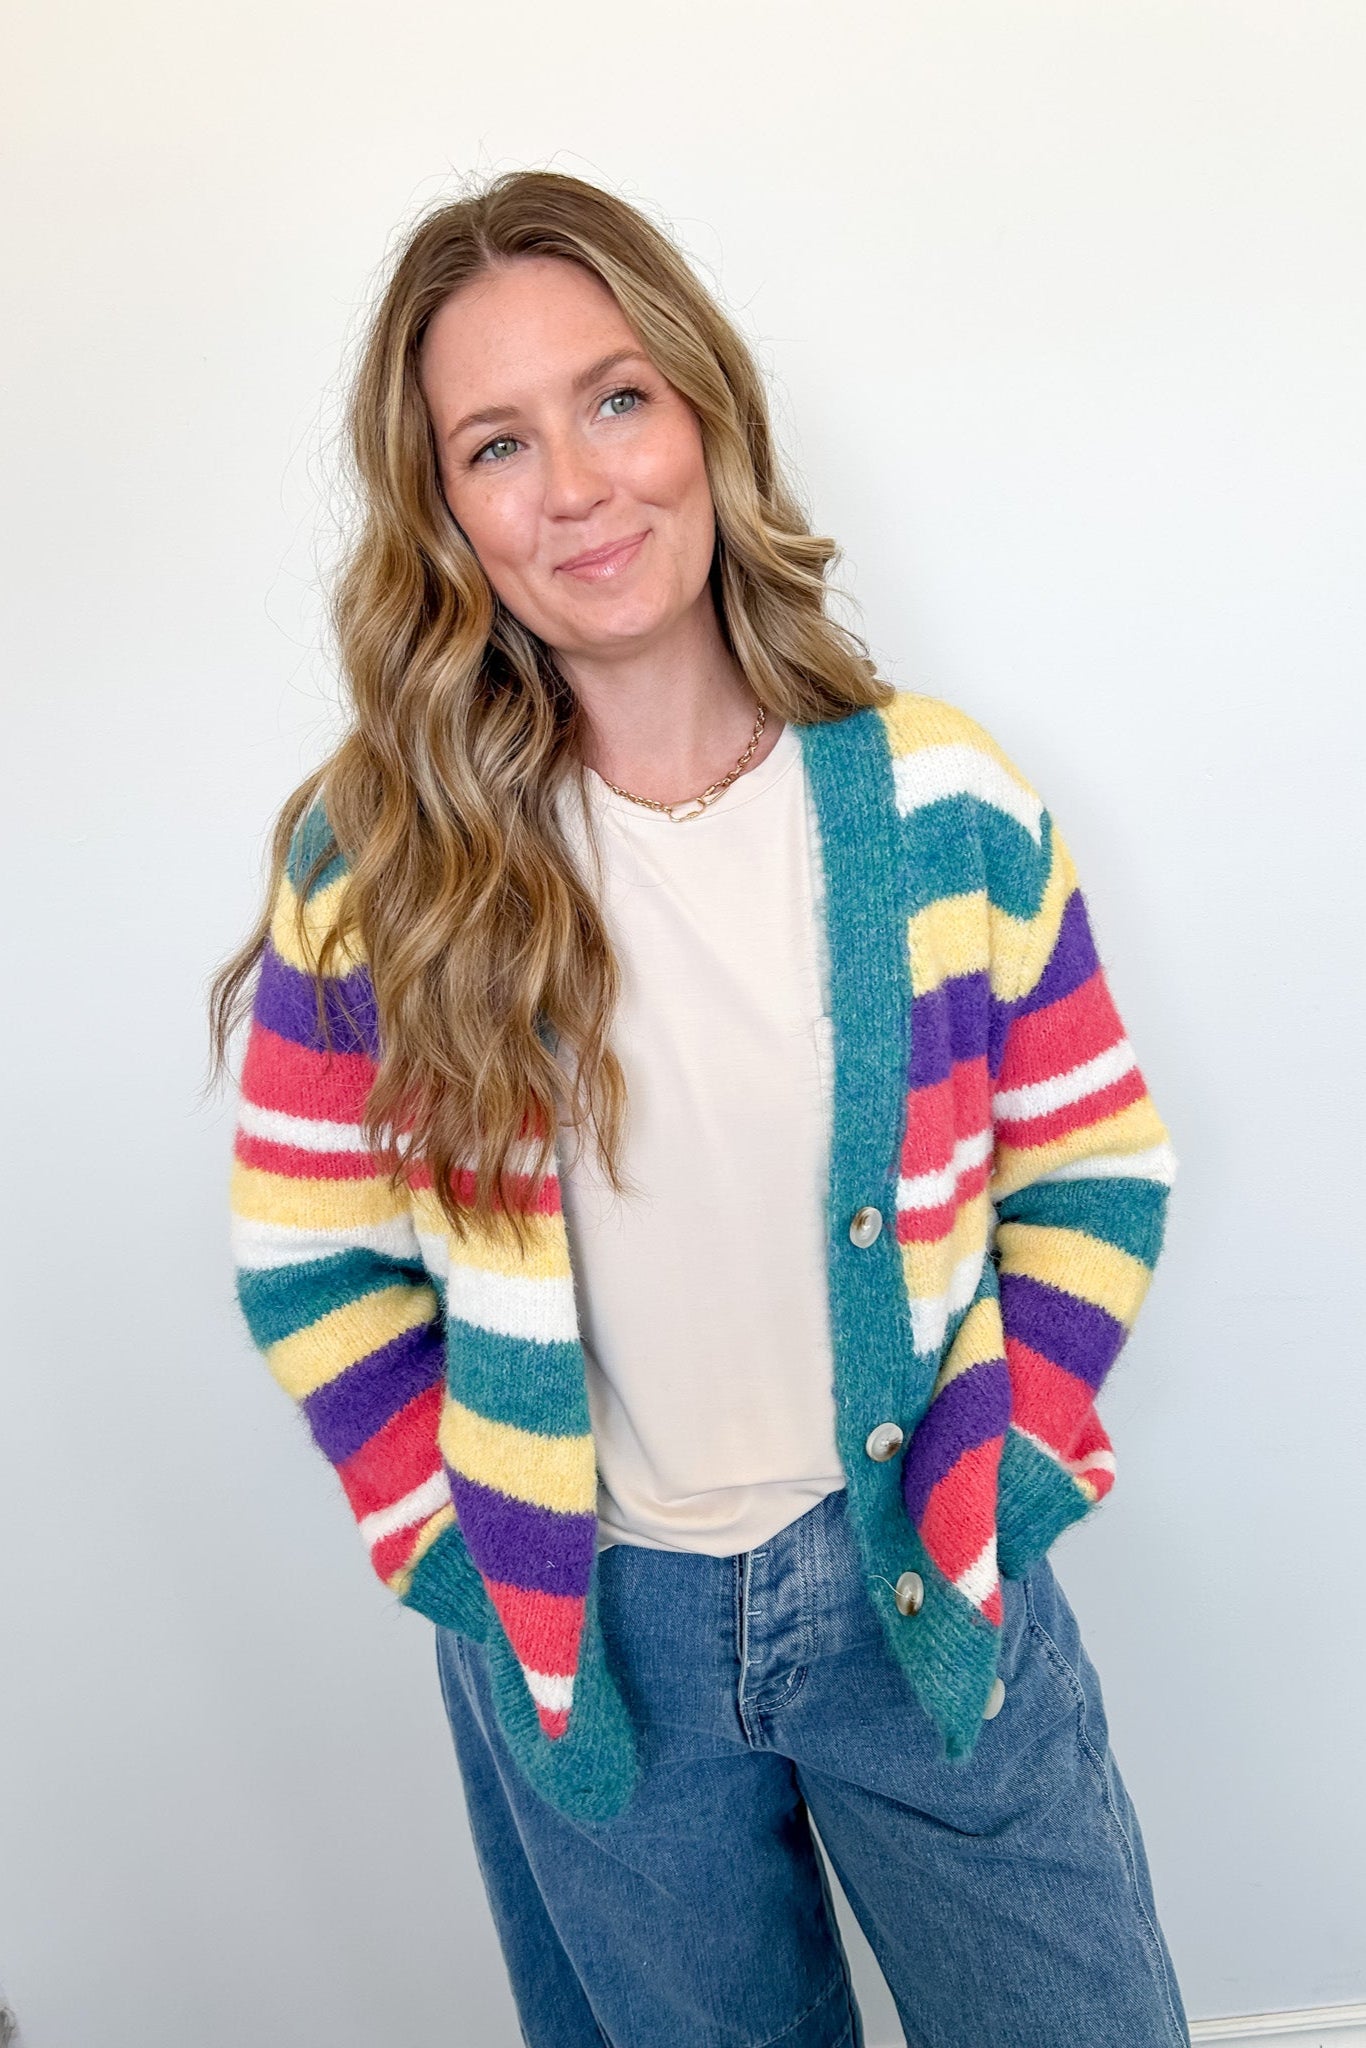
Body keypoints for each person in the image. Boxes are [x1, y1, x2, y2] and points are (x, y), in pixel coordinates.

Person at [210, 169, 1190, 2048]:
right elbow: (310, 1257)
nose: (575, 483)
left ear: (704, 410)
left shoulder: (938, 804)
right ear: (446, 516)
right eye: (496, 443)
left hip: (922, 1572)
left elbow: (1091, 1161)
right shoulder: (387, 862)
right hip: (597, 1646)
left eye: (614, 398)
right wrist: (463, 1555)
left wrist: (1009, 1470)